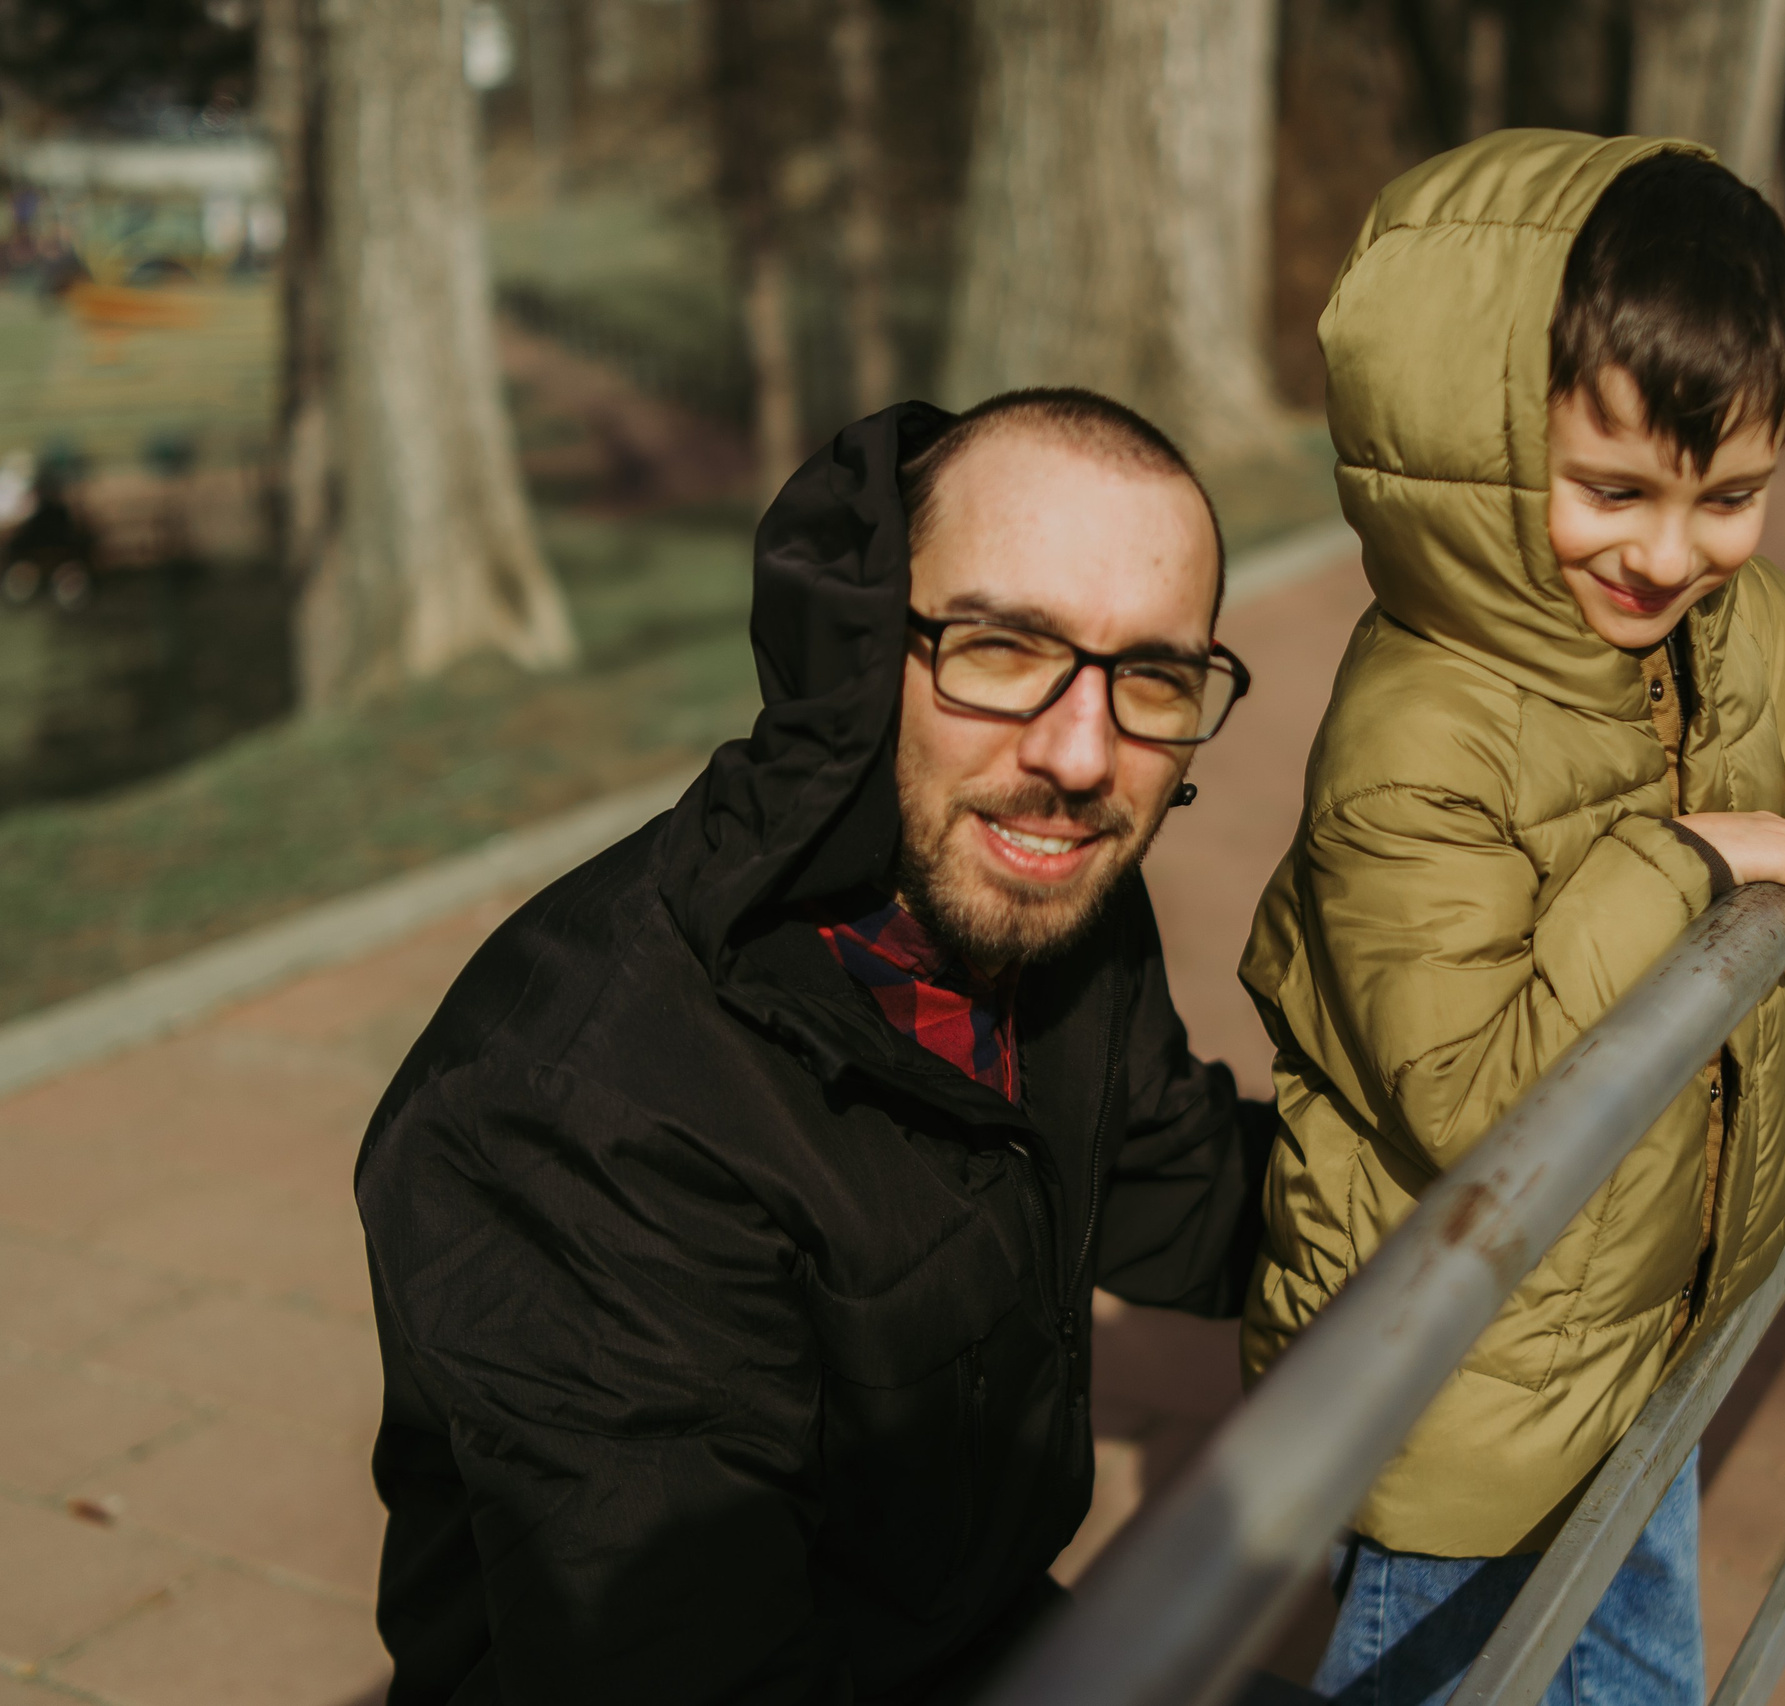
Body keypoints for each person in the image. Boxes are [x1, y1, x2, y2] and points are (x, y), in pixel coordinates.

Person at [1239, 137, 1785, 1704]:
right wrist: (1684, 862)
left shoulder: (1701, 623)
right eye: (1613, 491)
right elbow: (1477, 1088)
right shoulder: (1418, 733)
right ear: (1482, 444)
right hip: (1457, 1393)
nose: (1669, 556)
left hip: (1636, 1334)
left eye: (1730, 497)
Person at [356, 389, 1274, 1704]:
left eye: (1154, 676)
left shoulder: (1052, 906)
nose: (1082, 754)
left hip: (973, 1633)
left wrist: (1514, 1151)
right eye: (1005, 647)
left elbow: (1187, 1193)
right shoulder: (581, 1113)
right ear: (856, 649)